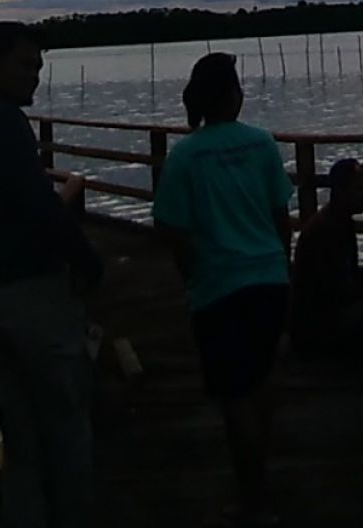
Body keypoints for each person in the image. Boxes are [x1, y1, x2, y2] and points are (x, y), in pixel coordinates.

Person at [0, 21, 104, 528]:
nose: (34, 77)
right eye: (24, 65)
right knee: (65, 424)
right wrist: (88, 262)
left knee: (21, 434)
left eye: (38, 66)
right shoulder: (2, 121)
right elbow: (43, 208)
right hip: (31, 293)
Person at [151, 53, 293, 528]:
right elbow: (281, 216)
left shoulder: (185, 156)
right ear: (233, 94)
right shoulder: (263, 144)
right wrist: (281, 263)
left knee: (234, 396)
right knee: (262, 382)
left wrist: (192, 275)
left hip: (219, 287)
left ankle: (252, 500)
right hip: (268, 279)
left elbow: (173, 227)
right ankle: (260, 485)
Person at [289, 158, 363, 379]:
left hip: (327, 309)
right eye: (358, 189)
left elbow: (349, 275)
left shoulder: (338, 221)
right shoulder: (326, 229)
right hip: (317, 324)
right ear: (341, 191)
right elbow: (334, 290)